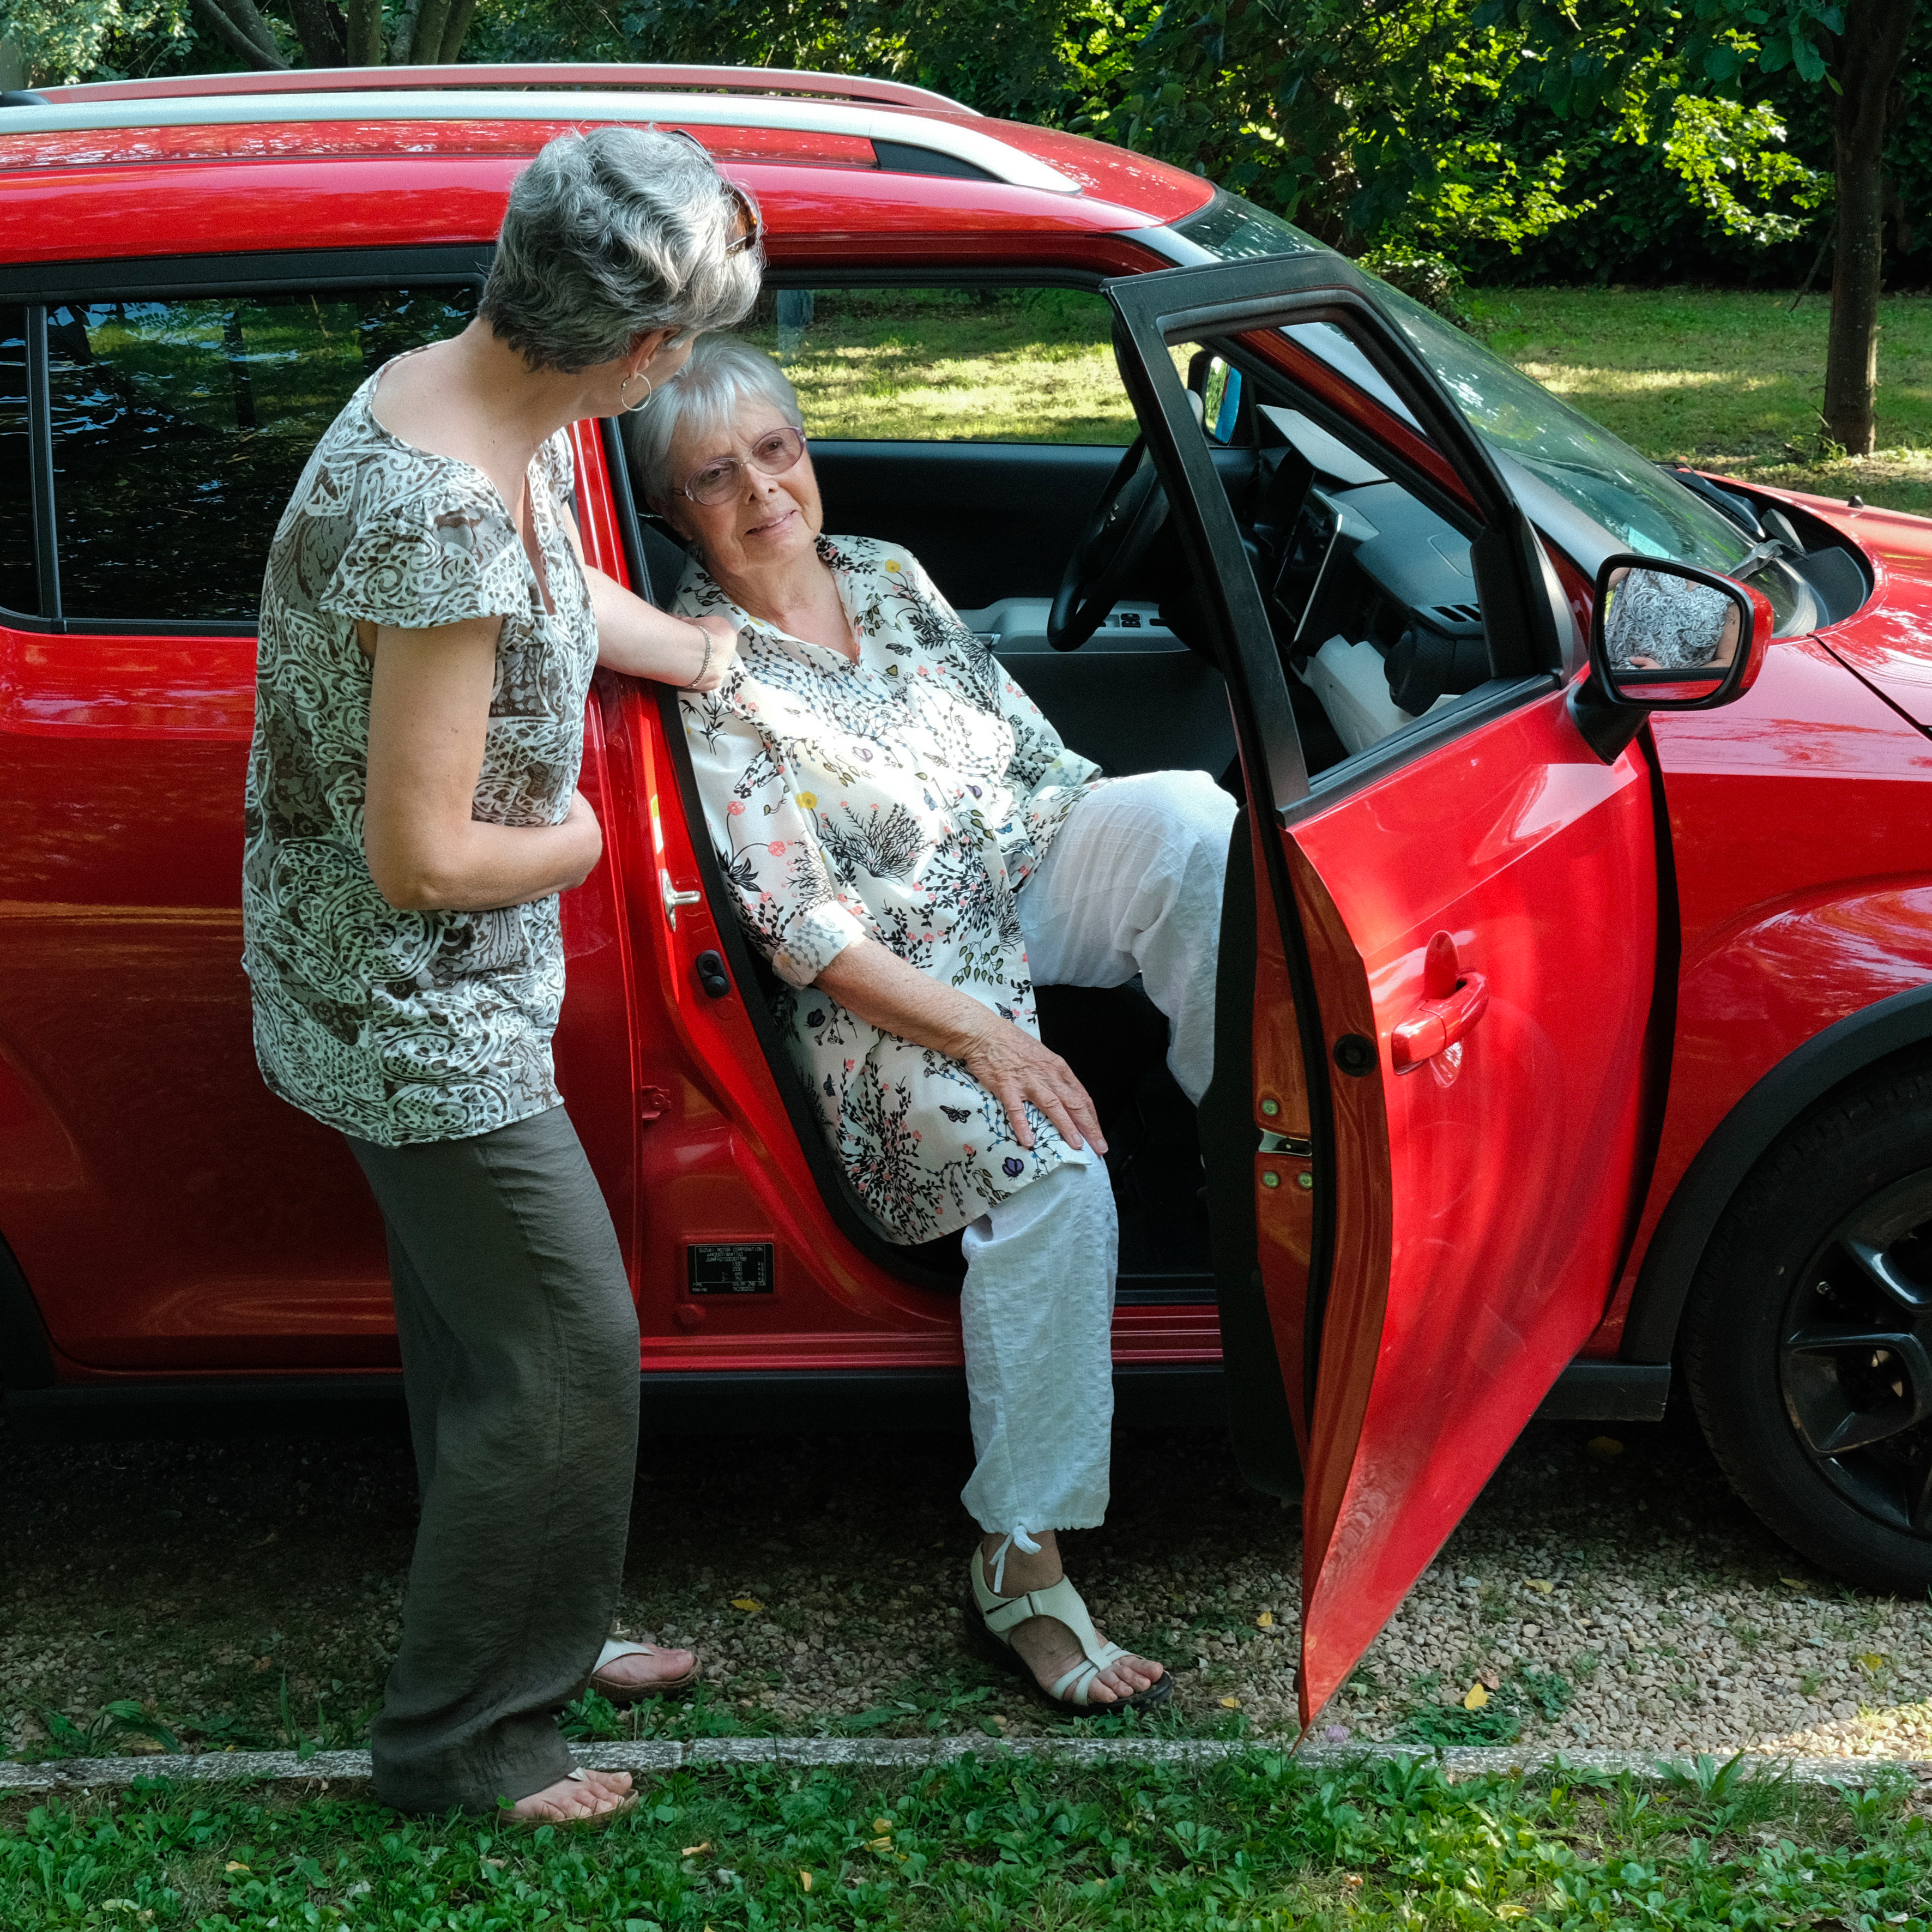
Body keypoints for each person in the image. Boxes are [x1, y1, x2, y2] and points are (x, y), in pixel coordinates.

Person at [242, 128, 759, 1822]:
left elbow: (553, 580)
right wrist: (589, 843)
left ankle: (542, 1615)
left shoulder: (465, 391)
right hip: (411, 1006)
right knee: (566, 1353)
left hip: (410, 987)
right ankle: (467, 1741)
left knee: (483, 1342)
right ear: (641, 353)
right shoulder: (435, 512)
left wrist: (687, 650)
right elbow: (426, 856)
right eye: (684, 344)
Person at [630, 336, 1237, 1712]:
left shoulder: (888, 574)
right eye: (715, 475)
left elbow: (1036, 766)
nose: (763, 489)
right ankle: (1019, 1560)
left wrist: (1102, 851)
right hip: (885, 996)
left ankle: (1251, 1140)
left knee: (1193, 819)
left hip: (1003, 873)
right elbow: (800, 927)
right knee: (1057, 1175)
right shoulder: (709, 667)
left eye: (775, 451)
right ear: (675, 509)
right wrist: (988, 1034)